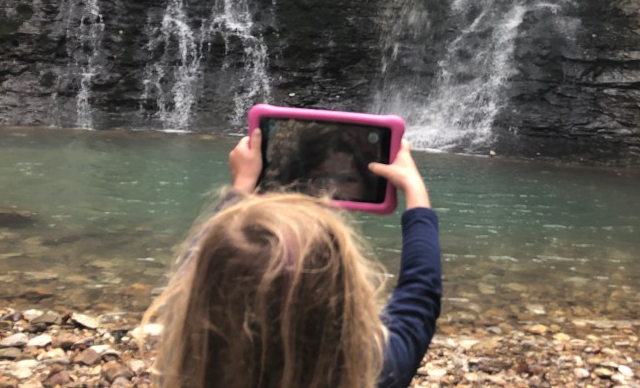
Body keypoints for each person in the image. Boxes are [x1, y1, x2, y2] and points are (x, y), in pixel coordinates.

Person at [141, 129, 442, 388]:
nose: (330, 190)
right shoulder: (374, 368)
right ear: (344, 295)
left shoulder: (190, 359)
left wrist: (239, 190)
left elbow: (193, 275)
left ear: (202, 298)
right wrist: (416, 192)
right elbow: (419, 299)